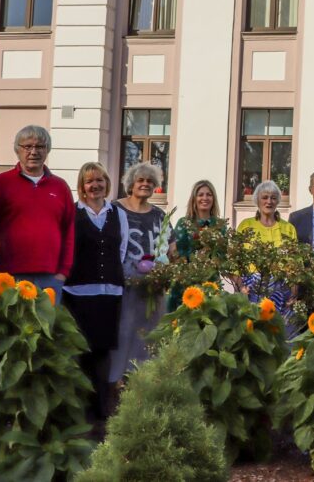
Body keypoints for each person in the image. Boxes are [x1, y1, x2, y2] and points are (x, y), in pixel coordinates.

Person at [63, 162, 128, 420]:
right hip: (77, 292)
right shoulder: (72, 212)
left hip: (109, 292)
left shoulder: (117, 213)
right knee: (80, 351)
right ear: (82, 186)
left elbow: (120, 250)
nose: (96, 185)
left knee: (103, 352)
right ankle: (77, 413)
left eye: (100, 180)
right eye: (90, 181)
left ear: (106, 184)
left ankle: (101, 413)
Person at [108, 162, 177, 384]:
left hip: (152, 288)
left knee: (149, 335)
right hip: (123, 285)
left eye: (150, 181)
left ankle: (145, 382)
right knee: (122, 333)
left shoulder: (159, 215)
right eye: (141, 180)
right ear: (131, 184)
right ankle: (117, 383)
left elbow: (171, 249)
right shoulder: (114, 210)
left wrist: (166, 272)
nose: (145, 184)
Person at [0, 125, 74, 301]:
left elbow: (69, 231)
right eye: (27, 146)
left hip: (50, 278)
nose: (33, 152)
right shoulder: (0, 184)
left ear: (47, 150)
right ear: (17, 150)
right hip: (8, 276)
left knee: (43, 328)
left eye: (40, 146)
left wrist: (63, 272)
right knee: (9, 328)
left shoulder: (60, 187)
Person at [236, 180, 298, 321]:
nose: (269, 201)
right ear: (257, 200)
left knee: (278, 332)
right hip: (251, 289)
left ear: (278, 201)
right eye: (264, 197)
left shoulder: (288, 228)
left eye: (273, 197)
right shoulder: (246, 226)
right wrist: (241, 286)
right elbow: (234, 261)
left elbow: (295, 264)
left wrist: (294, 292)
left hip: (281, 290)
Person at [168, 180, 226, 311]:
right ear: (194, 199)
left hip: (210, 284)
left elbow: (223, 256)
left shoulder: (220, 225)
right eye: (200, 195)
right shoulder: (184, 223)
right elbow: (176, 255)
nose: (205, 198)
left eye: (209, 194)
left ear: (213, 198)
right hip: (185, 284)